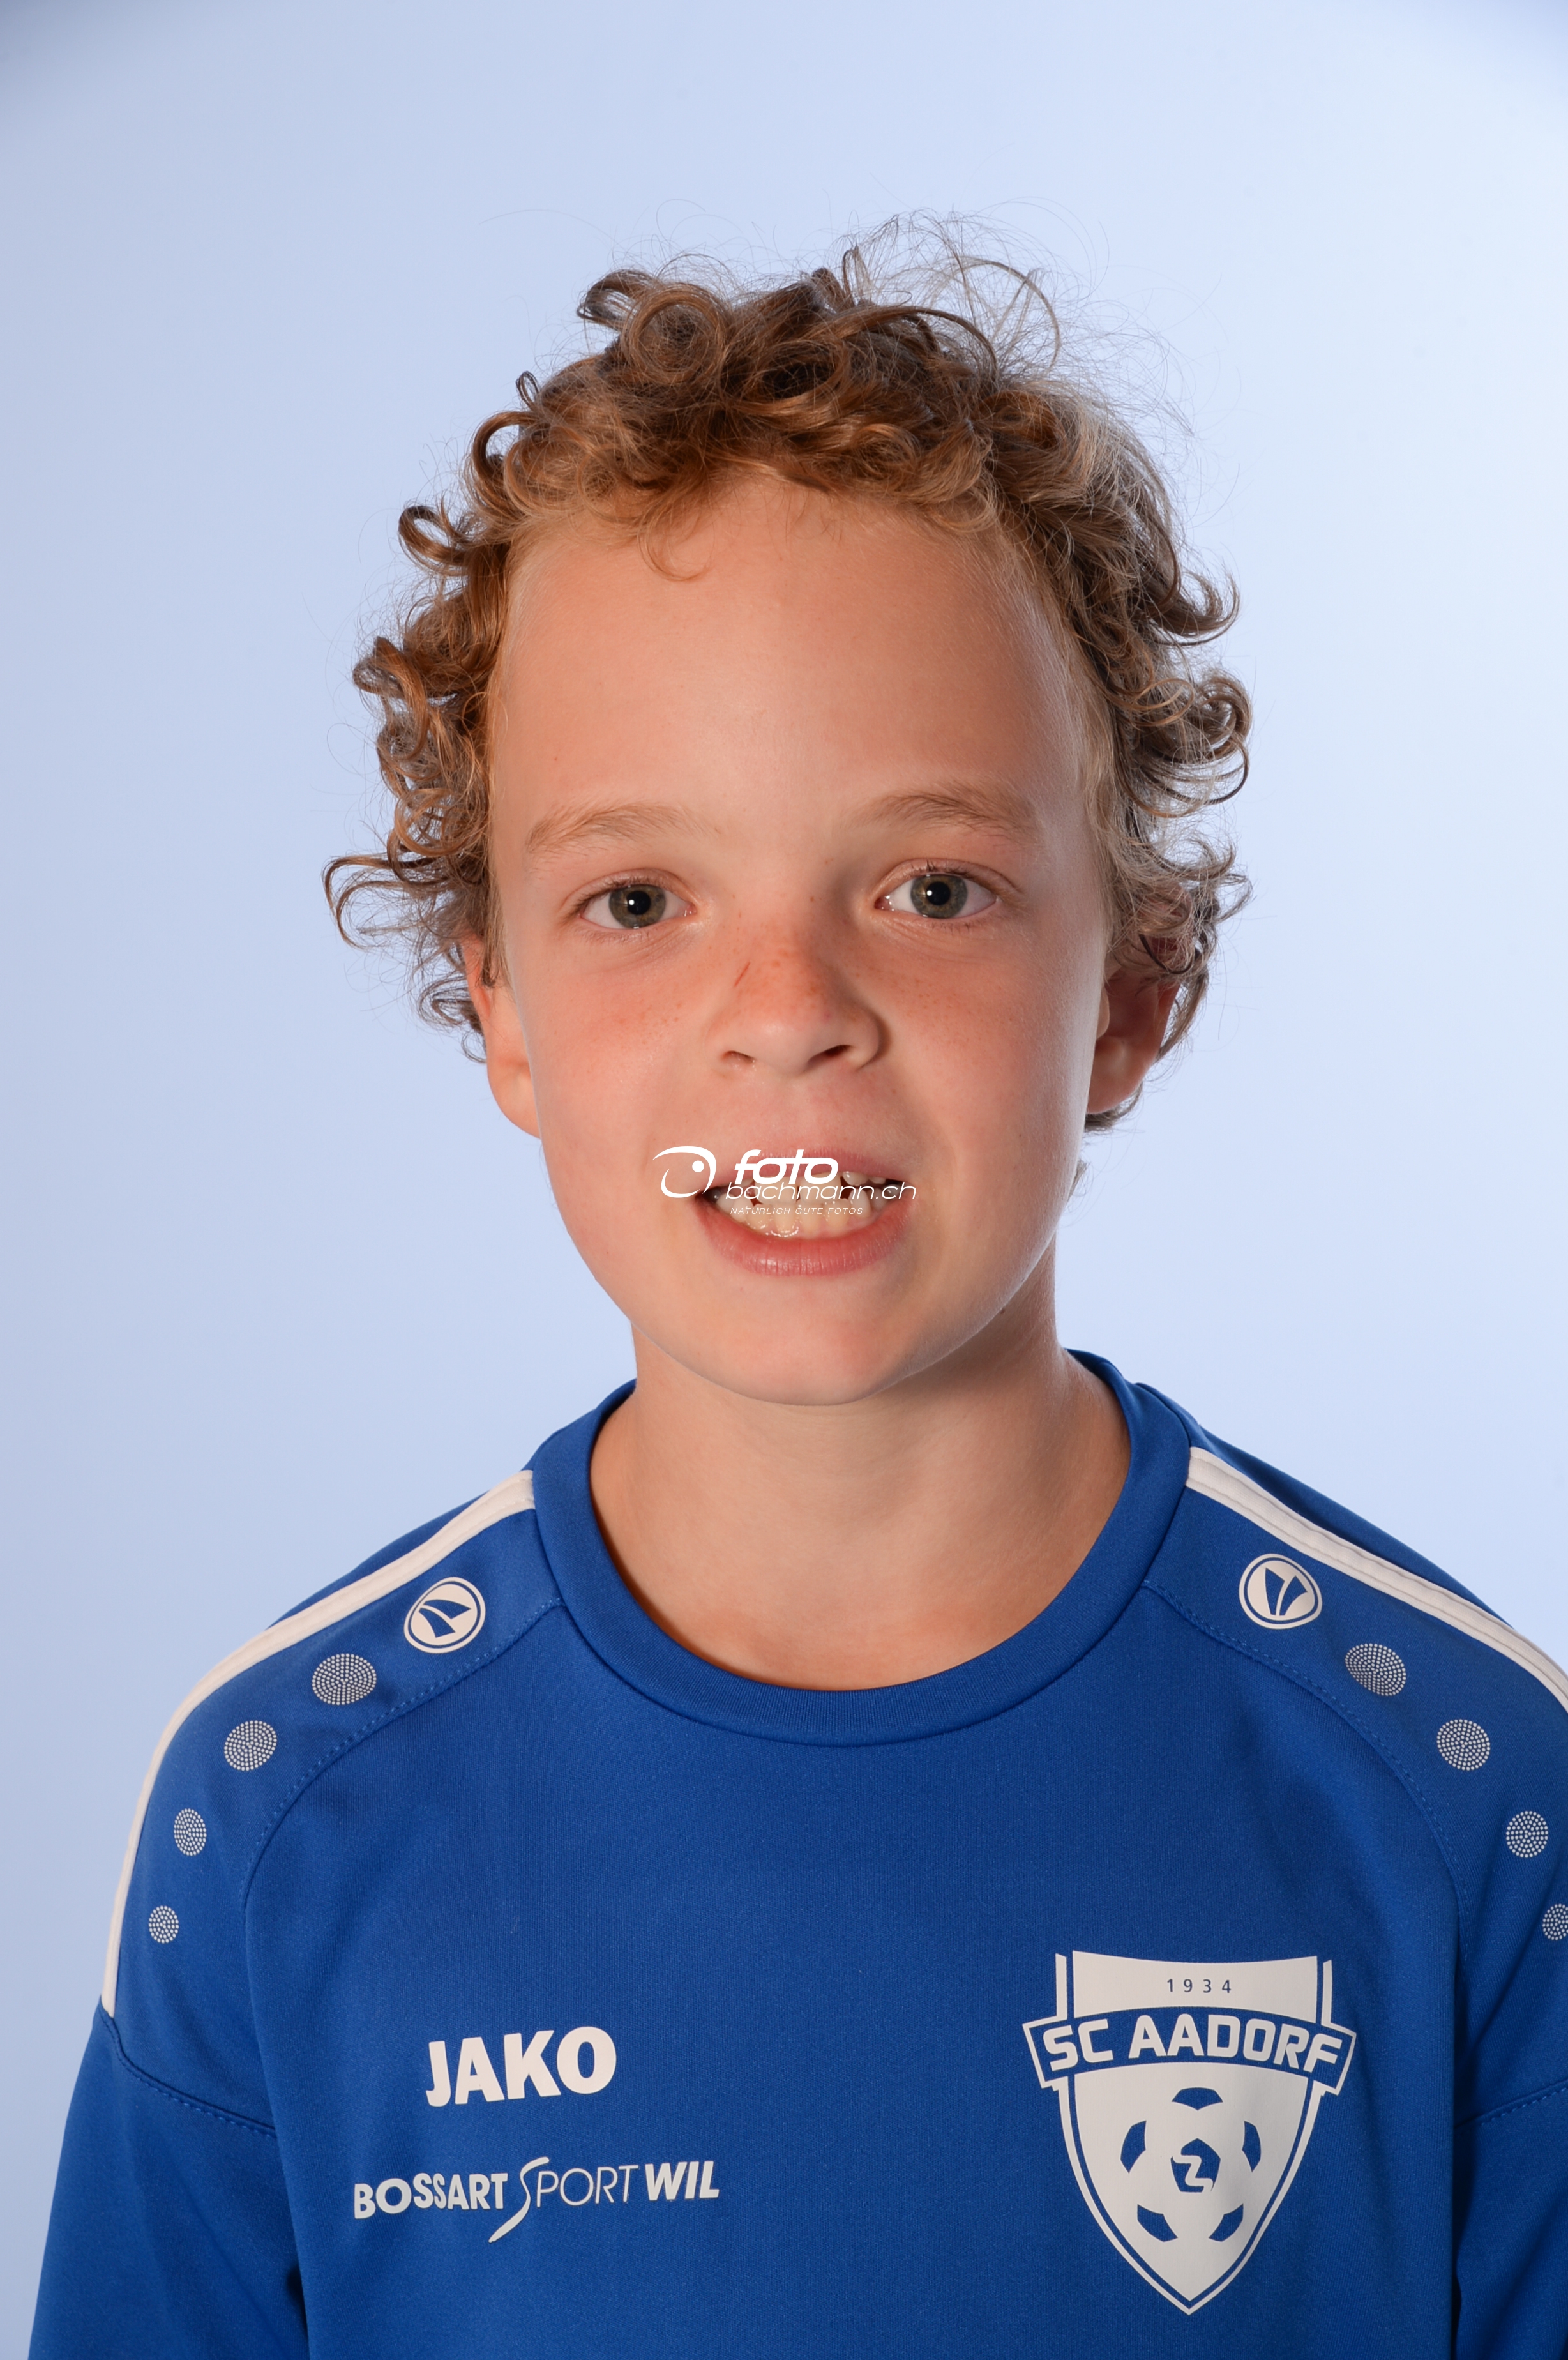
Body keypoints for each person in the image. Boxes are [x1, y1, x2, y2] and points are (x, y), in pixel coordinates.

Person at [31, 233, 1568, 2359]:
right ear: (501, 1009)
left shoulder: (1460, 1786)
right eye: (637, 898)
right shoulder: (284, 1811)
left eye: (932, 887)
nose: (788, 1011)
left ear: (1135, 986)